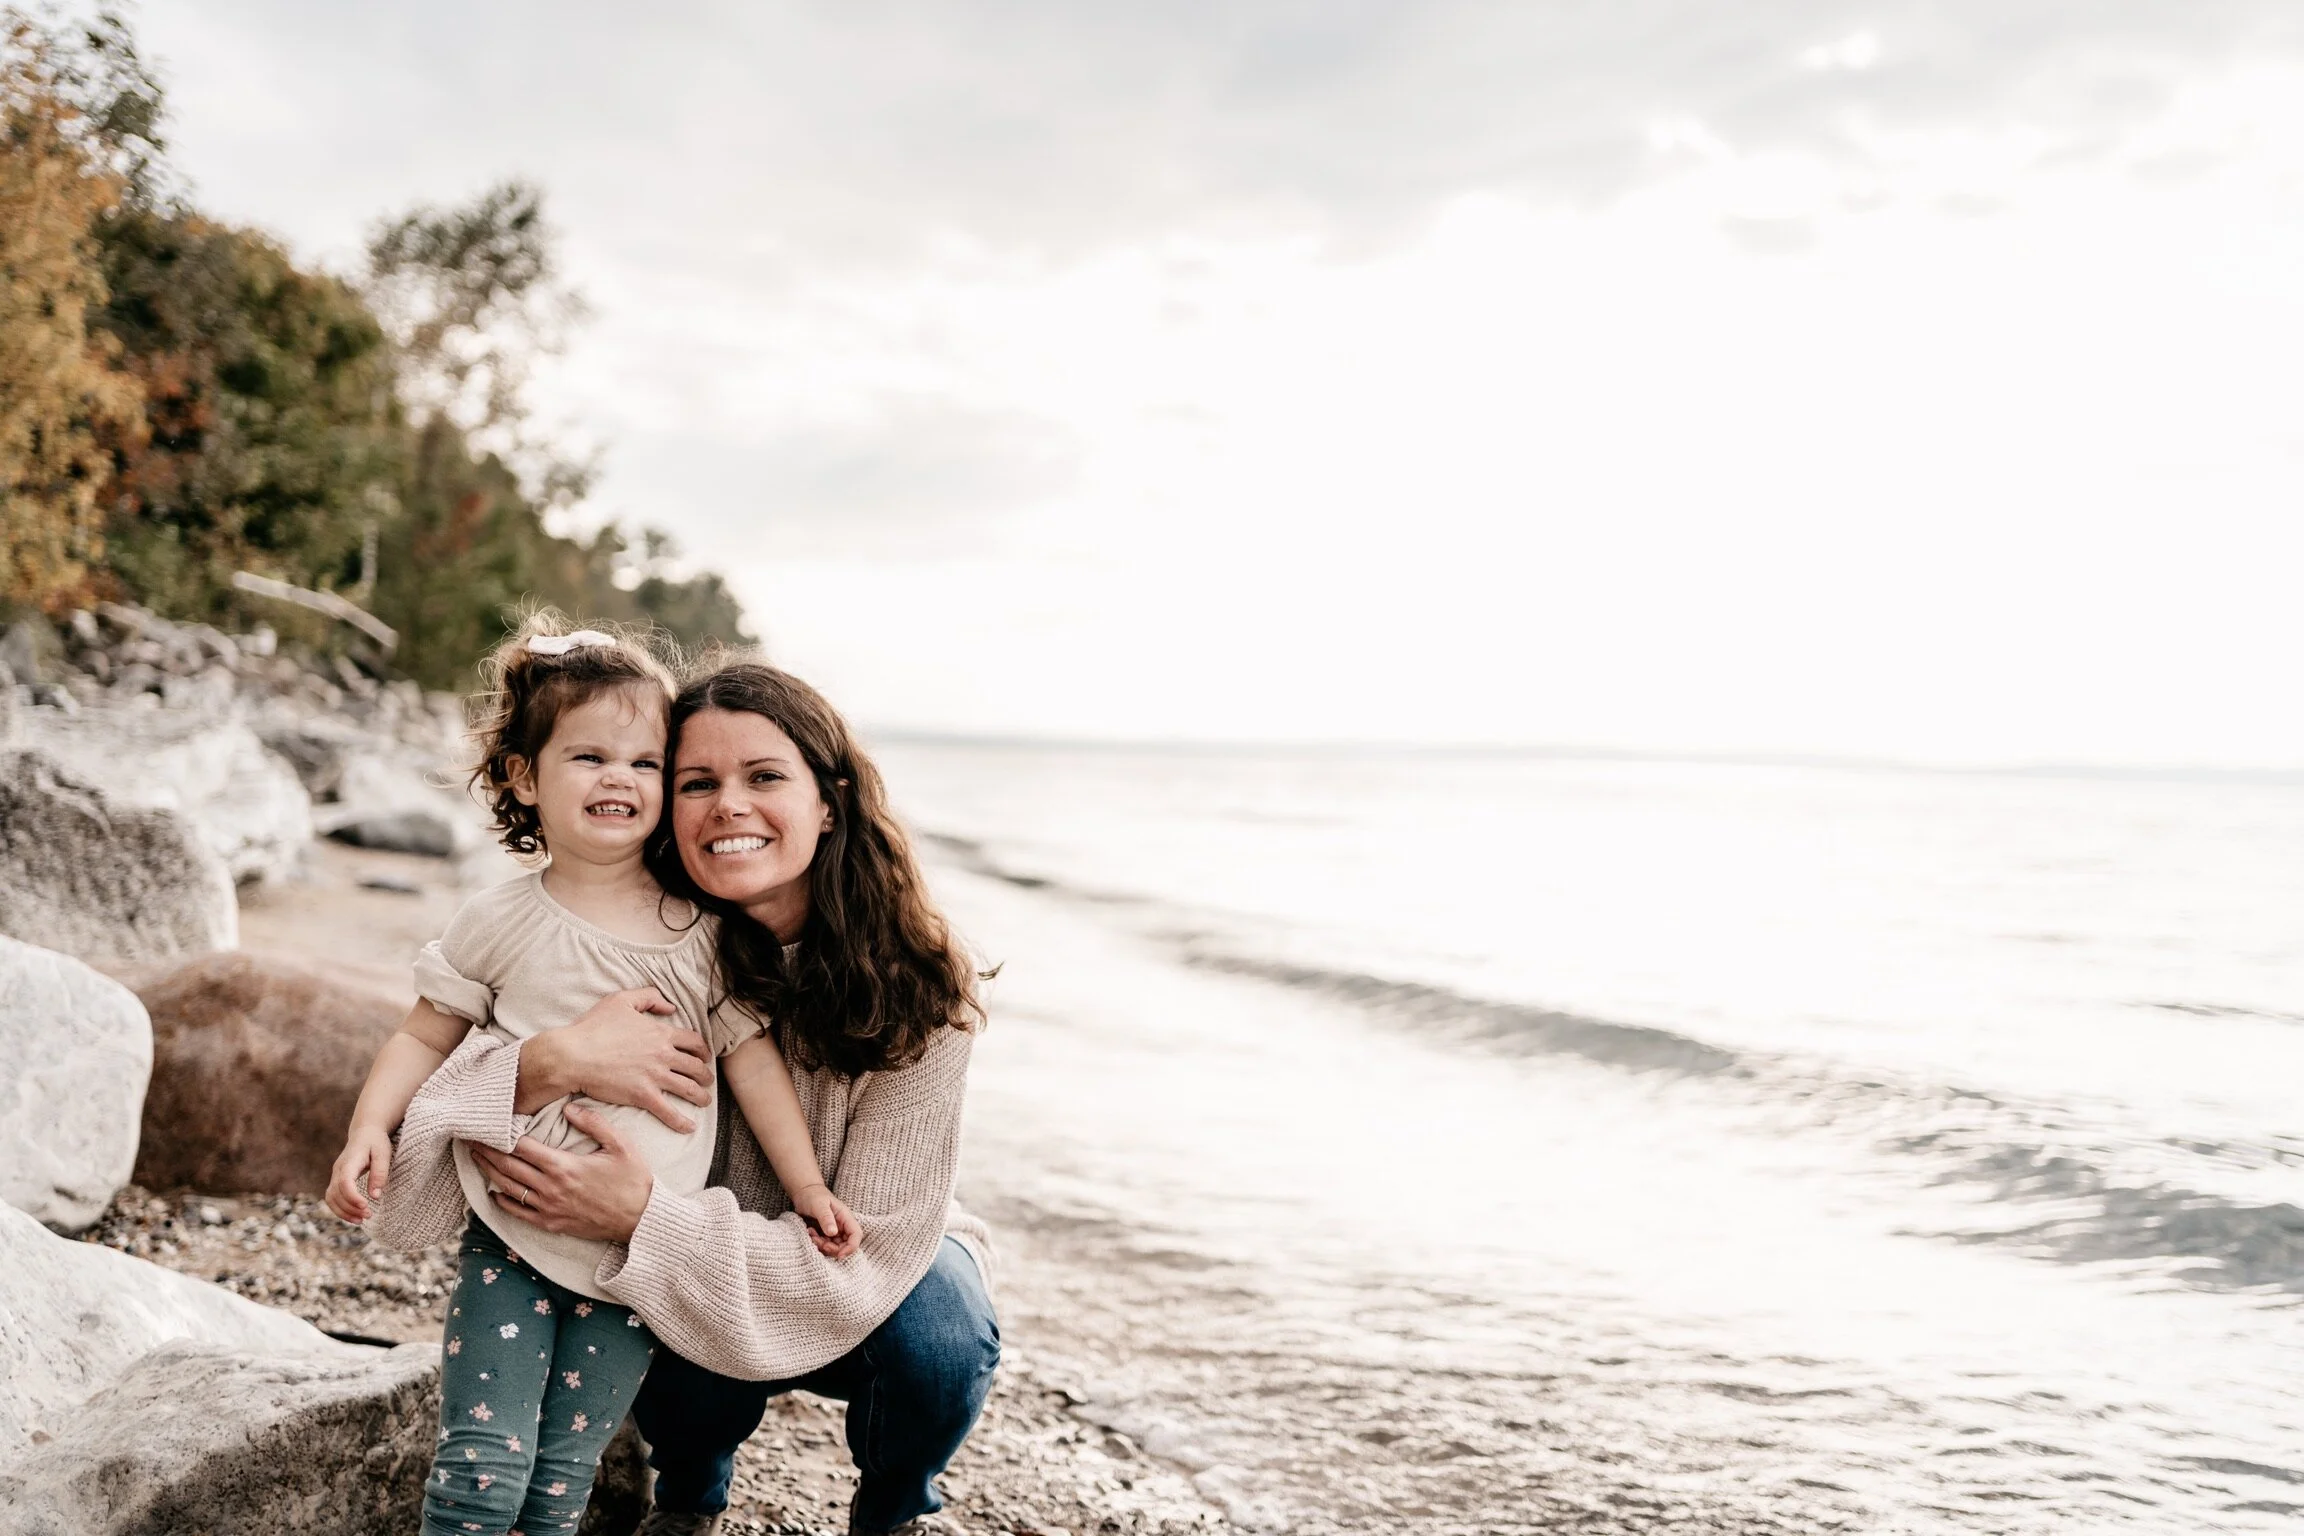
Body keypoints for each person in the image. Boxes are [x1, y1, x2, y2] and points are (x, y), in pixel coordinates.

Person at [369, 659, 999, 1536]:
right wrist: (554, 1063)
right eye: (698, 781)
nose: (728, 806)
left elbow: (867, 1249)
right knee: (650, 1329)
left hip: (838, 1247)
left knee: (940, 1342)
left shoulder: (919, 991)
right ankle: (690, 1488)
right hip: (665, 1257)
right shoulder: (632, 938)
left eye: (766, 777)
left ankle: (893, 1510)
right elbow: (440, 1089)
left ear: (831, 799)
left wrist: (642, 1215)